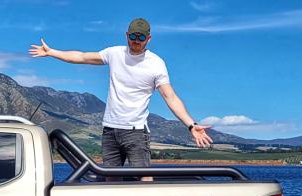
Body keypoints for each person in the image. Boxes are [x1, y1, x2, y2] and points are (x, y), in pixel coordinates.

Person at [29, 18, 213, 179]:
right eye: (133, 36)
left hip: (136, 133)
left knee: (144, 178)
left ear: (148, 39)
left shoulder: (156, 64)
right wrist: (51, 52)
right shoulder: (114, 53)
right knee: (110, 179)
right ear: (127, 35)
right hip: (110, 130)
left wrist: (191, 125)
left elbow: (170, 96)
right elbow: (82, 57)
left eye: (141, 37)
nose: (136, 41)